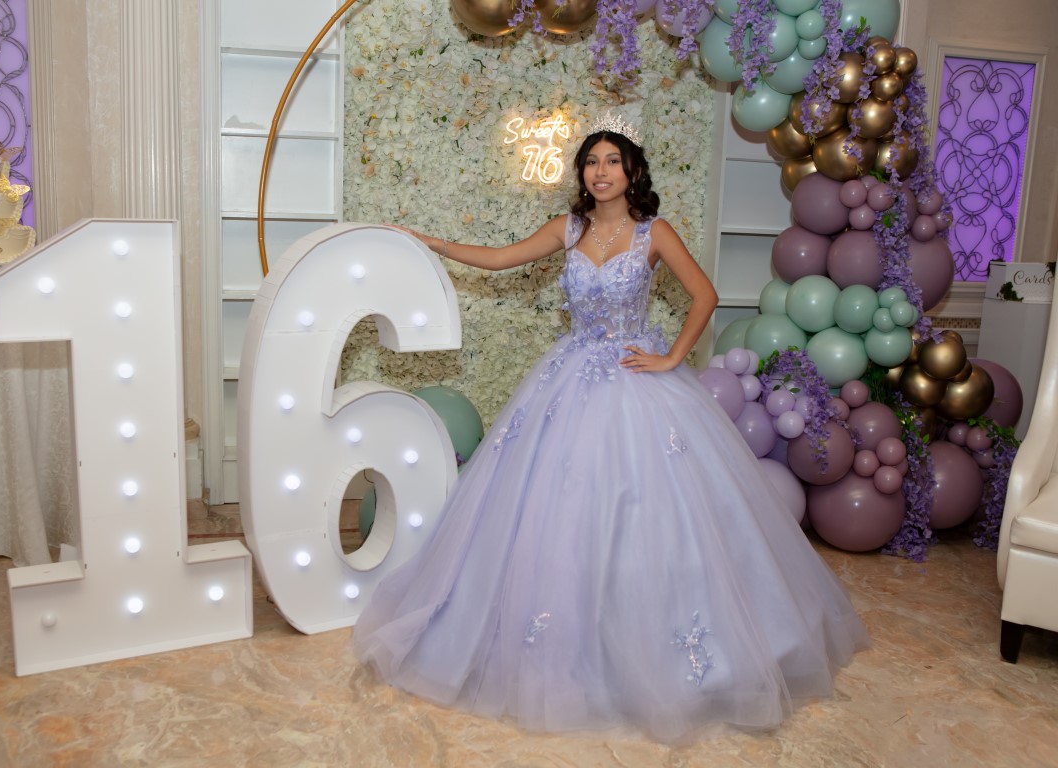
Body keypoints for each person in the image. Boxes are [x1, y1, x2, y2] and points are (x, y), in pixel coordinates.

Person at [352, 115, 869, 744]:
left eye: (612, 162)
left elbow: (704, 296)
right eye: (591, 162)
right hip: (568, 380)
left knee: (651, 512)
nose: (600, 172)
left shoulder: (654, 232)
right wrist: (429, 241)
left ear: (632, 172)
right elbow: (498, 259)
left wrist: (672, 357)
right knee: (556, 511)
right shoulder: (567, 229)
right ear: (583, 174)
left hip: (635, 379)